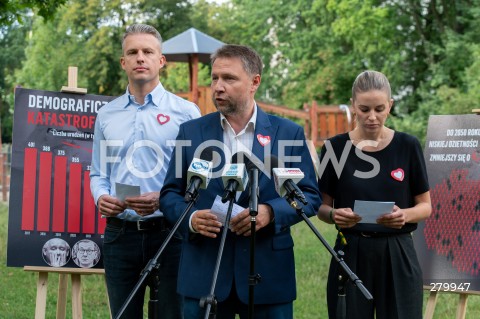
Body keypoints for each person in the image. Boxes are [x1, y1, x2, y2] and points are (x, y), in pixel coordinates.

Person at [160, 44, 322, 319]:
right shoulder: (191, 132)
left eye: (229, 78)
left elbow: (309, 195)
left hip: (268, 273)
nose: (218, 87)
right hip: (204, 274)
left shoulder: (288, 133)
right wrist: (191, 218)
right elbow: (170, 194)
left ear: (254, 82)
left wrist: (270, 213)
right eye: (214, 78)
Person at [90, 23, 201, 318]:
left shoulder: (187, 113)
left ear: (160, 60)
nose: (140, 57)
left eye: (148, 51)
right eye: (133, 52)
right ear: (123, 62)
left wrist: (165, 198)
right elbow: (98, 173)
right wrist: (101, 197)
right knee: (123, 315)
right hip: (119, 234)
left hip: (170, 233)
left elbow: (197, 179)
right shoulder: (106, 115)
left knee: (172, 315)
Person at [317, 70, 432, 319]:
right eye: (364, 109)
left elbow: (425, 206)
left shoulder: (408, 146)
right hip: (351, 250)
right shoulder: (334, 148)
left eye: (379, 109)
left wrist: (405, 215)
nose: (372, 117)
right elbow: (321, 207)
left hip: (398, 249)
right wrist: (335, 214)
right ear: (353, 106)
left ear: (390, 105)